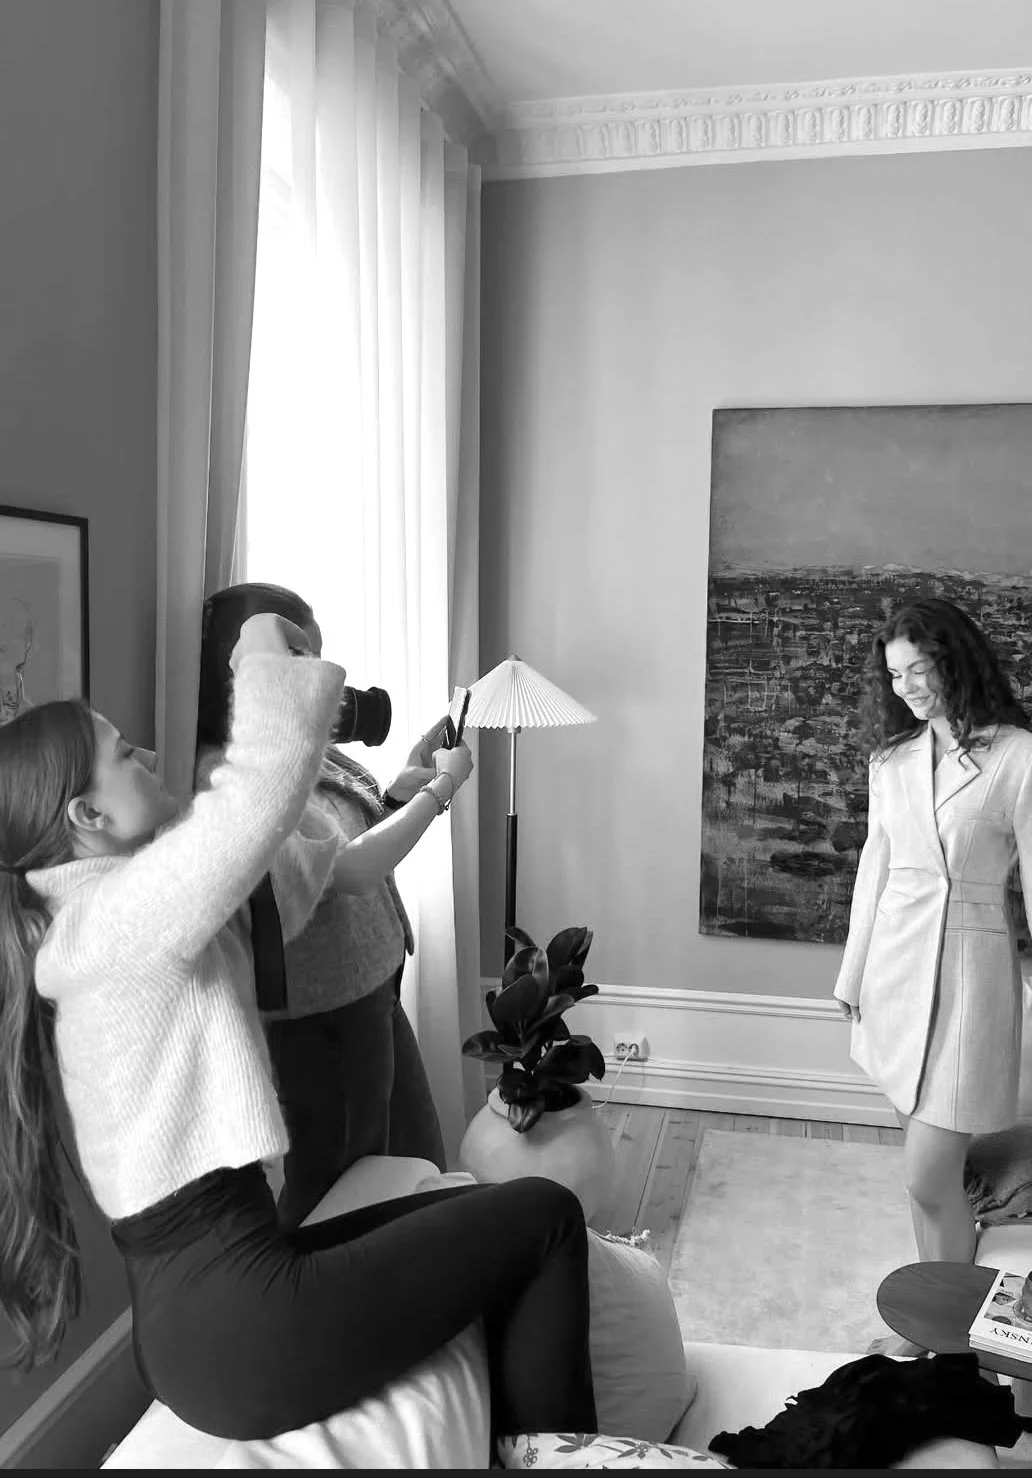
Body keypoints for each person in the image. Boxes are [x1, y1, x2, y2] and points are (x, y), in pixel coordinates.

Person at [0, 612, 596, 1446]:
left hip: (217, 1305)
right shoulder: (114, 924)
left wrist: (421, 789)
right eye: (125, 753)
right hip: (234, 1324)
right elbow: (254, 796)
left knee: (480, 1209)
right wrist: (259, 652)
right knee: (547, 1216)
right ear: (86, 814)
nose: (150, 753)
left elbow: (311, 864)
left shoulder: (119, 912)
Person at [195, 581, 462, 1226]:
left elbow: (350, 838)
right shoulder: (234, 773)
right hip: (322, 1013)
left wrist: (405, 786)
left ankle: (419, 1276)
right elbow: (352, 871)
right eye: (300, 656)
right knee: (338, 1189)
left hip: (370, 986)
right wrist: (442, 792)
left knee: (411, 1159)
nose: (321, 676)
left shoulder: (300, 745)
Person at [834, 596, 1032, 1356]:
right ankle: (935, 1329)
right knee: (930, 1184)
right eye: (895, 674)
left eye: (920, 668)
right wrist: (852, 977)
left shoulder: (1017, 757)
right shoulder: (890, 762)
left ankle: (952, 1339)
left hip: (973, 982)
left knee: (928, 1175)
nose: (908, 686)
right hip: (892, 974)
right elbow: (874, 872)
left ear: (957, 659)